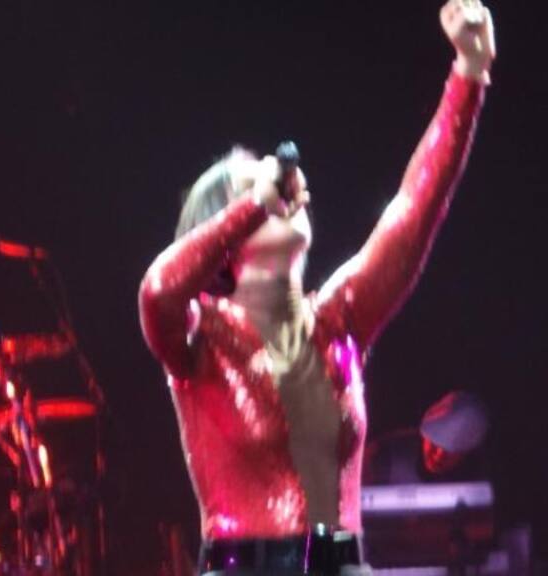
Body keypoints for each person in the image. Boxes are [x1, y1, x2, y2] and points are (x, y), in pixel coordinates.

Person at [138, 1, 496, 573]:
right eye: (255, 188)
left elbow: (414, 210)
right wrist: (253, 208)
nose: (280, 192)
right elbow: (157, 292)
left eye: (277, 187)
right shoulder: (202, 334)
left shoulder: (339, 319)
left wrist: (469, 74)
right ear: (222, 234)